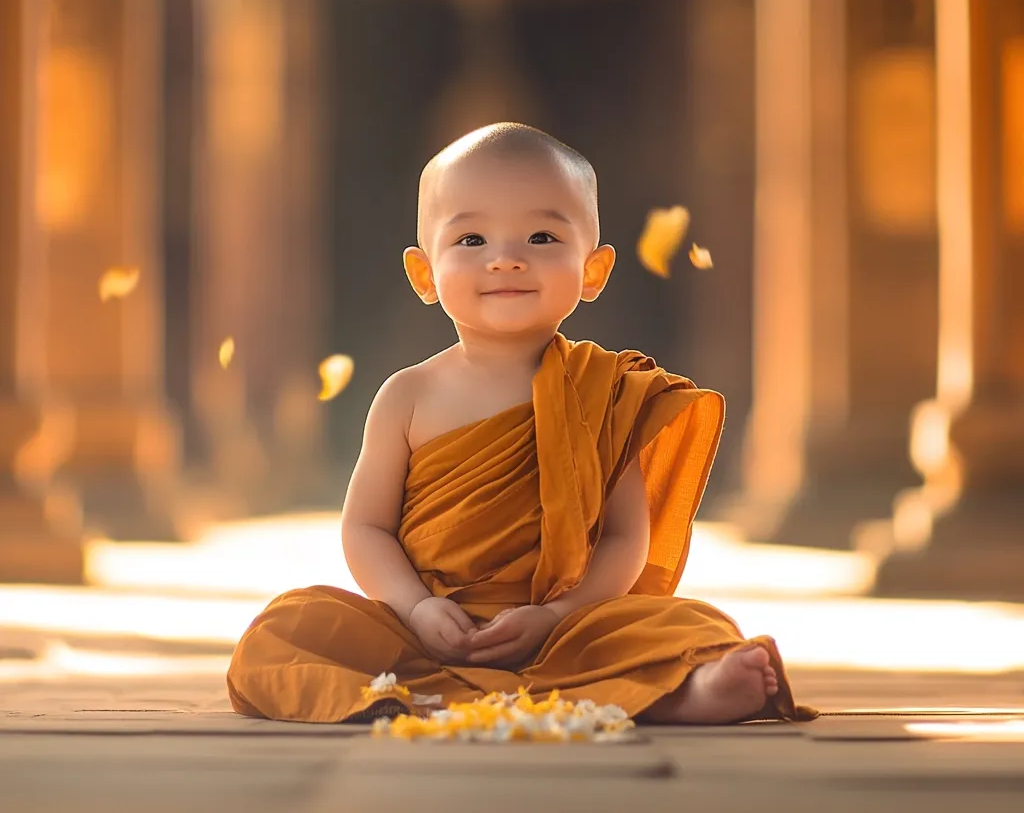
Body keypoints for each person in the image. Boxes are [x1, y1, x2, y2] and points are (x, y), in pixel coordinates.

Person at [227, 122, 814, 725]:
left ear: (593, 270)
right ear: (425, 274)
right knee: (285, 628)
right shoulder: (407, 395)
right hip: (426, 633)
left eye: (541, 237)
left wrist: (558, 615)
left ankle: (692, 690)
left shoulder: (605, 392)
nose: (505, 259)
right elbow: (366, 528)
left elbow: (623, 539)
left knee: (694, 624)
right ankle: (631, 696)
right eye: (472, 239)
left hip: (564, 631)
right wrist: (416, 608)